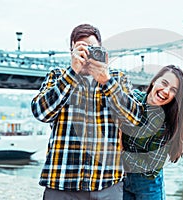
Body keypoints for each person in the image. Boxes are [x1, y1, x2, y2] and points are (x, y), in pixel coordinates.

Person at [31, 23, 143, 200]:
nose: (88, 54)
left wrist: (107, 82)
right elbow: (41, 113)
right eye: (82, 48)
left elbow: (134, 119)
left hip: (107, 184)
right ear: (71, 52)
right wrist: (72, 73)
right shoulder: (57, 76)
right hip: (61, 185)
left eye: (93, 49)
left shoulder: (118, 79)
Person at [100, 65, 183, 199]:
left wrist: (122, 151)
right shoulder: (132, 98)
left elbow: (150, 170)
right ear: (154, 81)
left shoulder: (165, 125)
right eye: (164, 83)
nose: (166, 91)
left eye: (173, 90)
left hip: (148, 186)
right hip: (120, 179)